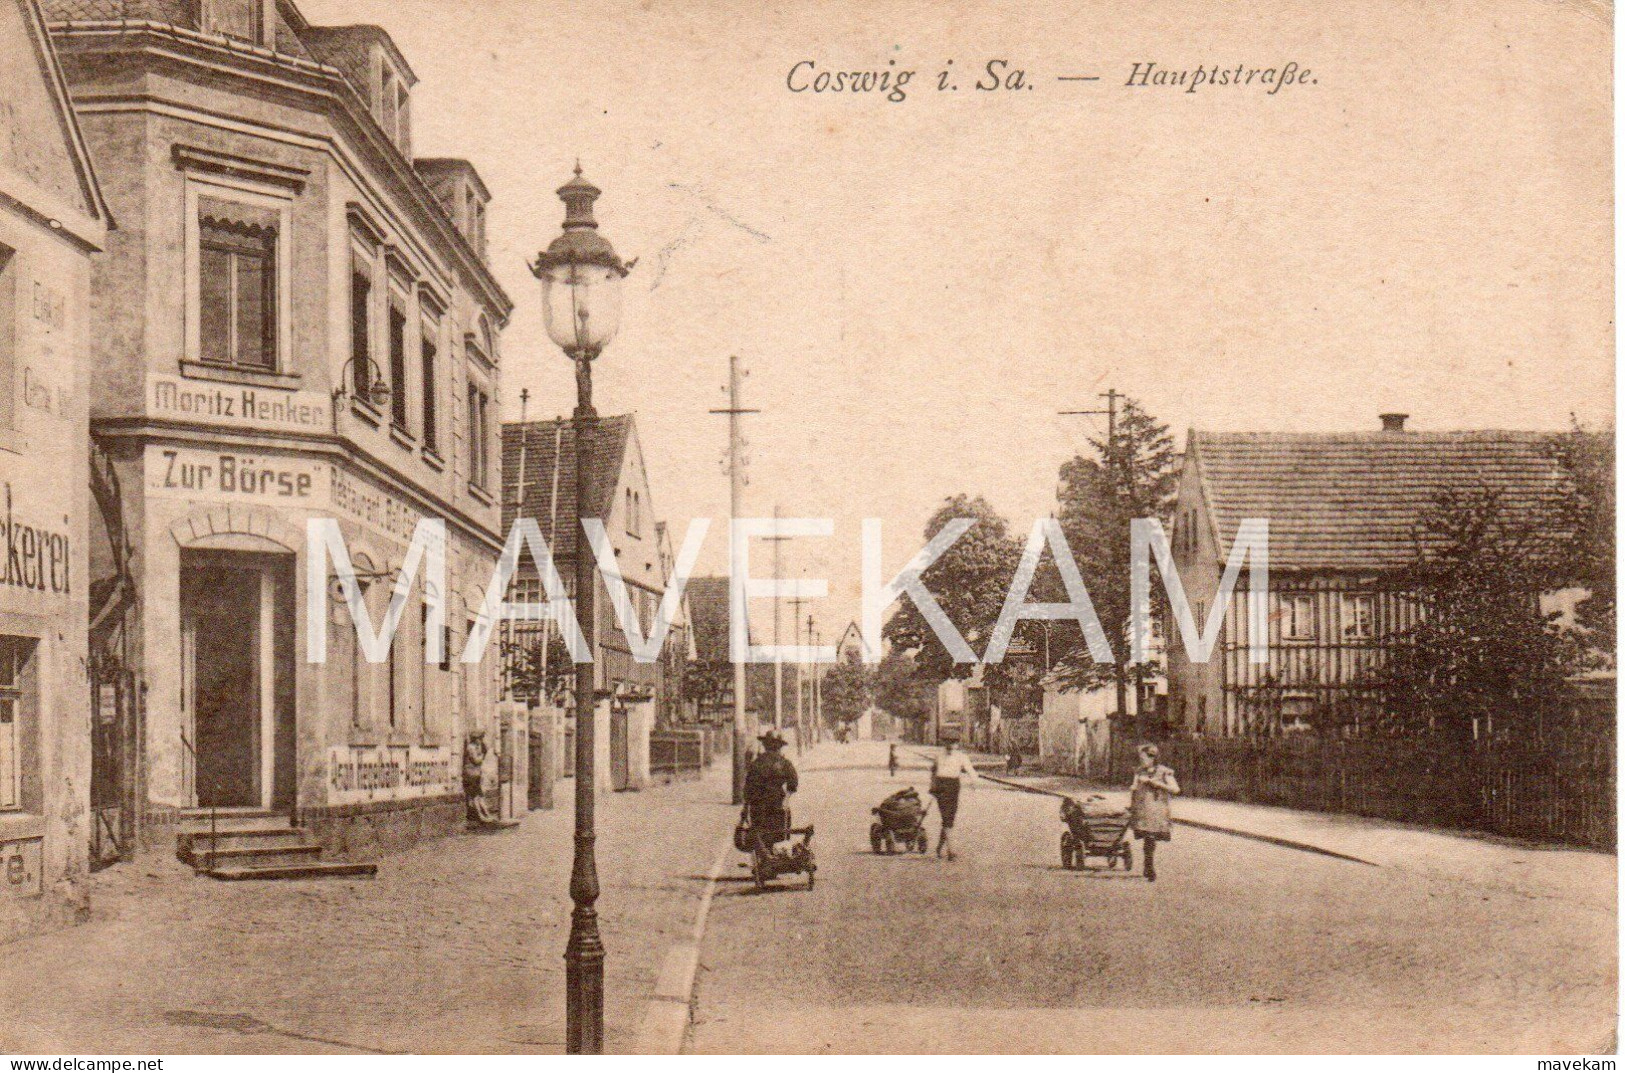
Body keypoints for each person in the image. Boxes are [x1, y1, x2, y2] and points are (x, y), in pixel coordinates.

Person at [1129, 743, 1181, 882]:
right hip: (1143, 809)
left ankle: (1149, 866)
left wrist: (1156, 784)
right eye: (1141, 758)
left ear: (1152, 758)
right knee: (1147, 837)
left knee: (1151, 838)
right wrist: (1134, 788)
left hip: (1157, 810)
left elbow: (1175, 789)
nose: (1141, 760)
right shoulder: (1140, 772)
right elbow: (1134, 788)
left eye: (1144, 758)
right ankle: (1148, 864)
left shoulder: (1164, 772)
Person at [743, 730, 799, 846]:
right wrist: (786, 800)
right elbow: (793, 783)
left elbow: (749, 787)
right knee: (775, 834)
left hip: (758, 804)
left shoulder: (757, 762)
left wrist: (745, 808)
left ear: (765, 745)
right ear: (779, 746)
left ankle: (763, 858)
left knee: (760, 836)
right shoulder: (784, 763)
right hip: (777, 803)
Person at [929, 736, 977, 860]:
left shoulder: (961, 756)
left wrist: (974, 782)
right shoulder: (938, 756)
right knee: (946, 817)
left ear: (957, 745)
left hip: (954, 786)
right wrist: (932, 787)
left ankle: (940, 846)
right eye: (948, 743)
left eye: (953, 743)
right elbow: (933, 773)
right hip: (941, 786)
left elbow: (970, 770)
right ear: (944, 743)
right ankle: (951, 851)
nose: (950, 746)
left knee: (950, 818)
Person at [463, 730, 494, 824]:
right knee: (475, 797)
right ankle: (480, 816)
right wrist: (482, 755)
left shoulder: (476, 747)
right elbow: (476, 761)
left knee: (480, 796)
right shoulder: (471, 748)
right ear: (475, 739)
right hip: (470, 774)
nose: (481, 741)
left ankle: (487, 815)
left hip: (476, 774)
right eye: (480, 739)